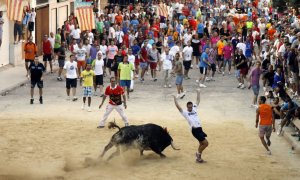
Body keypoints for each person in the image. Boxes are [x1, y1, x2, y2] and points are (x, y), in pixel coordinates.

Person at [172, 89, 209, 163]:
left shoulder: (194, 109)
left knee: (201, 143)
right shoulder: (185, 112)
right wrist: (175, 99)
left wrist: (198, 92)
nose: (190, 108)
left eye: (191, 107)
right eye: (189, 107)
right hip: (194, 130)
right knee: (206, 143)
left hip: (200, 129)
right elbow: (178, 107)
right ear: (187, 107)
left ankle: (198, 158)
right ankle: (197, 154)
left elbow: (198, 101)